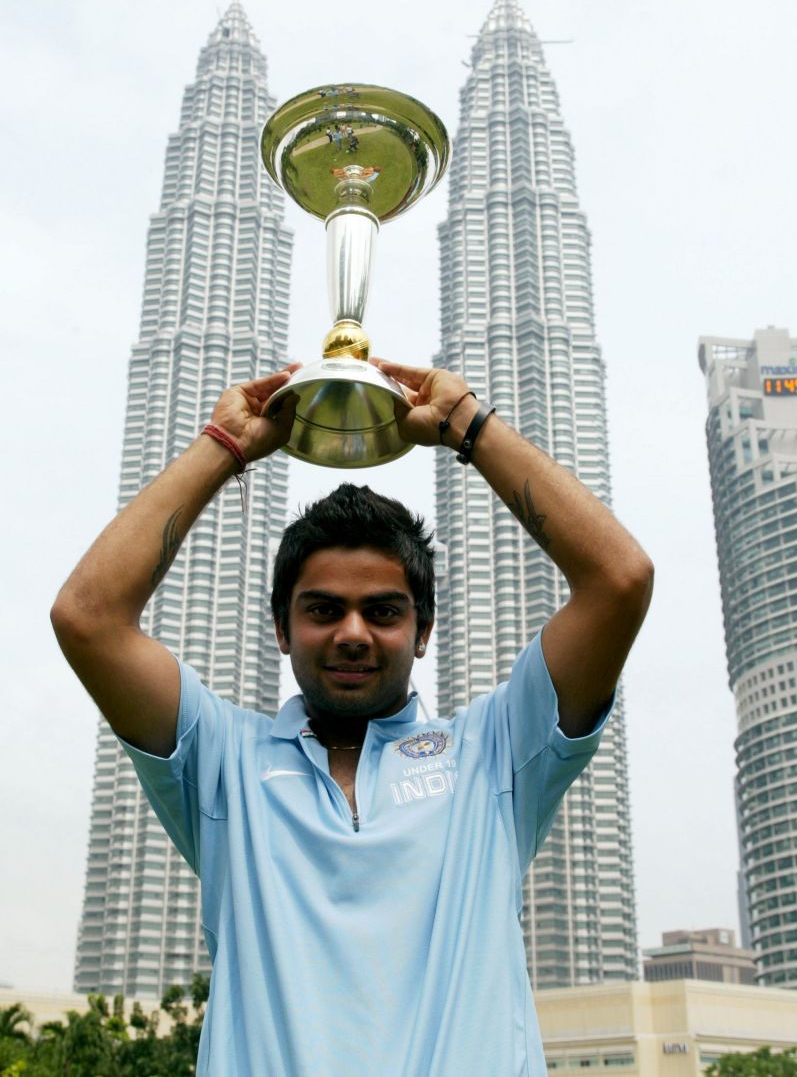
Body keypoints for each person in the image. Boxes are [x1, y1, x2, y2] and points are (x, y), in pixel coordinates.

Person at [51, 359, 653, 1077]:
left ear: (423, 631)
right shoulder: (223, 764)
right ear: (282, 628)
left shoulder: (495, 754)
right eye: (323, 609)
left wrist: (467, 425)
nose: (354, 633)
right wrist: (225, 443)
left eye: (385, 611)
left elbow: (620, 580)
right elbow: (88, 618)